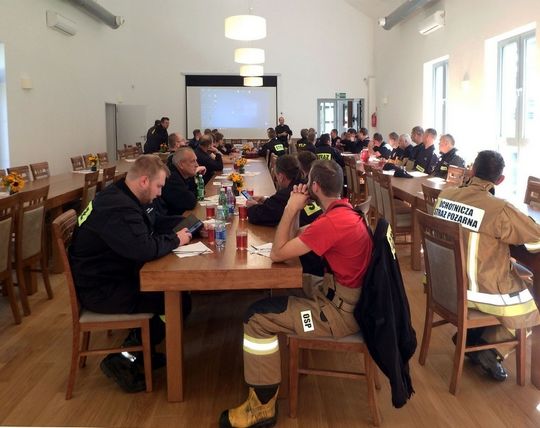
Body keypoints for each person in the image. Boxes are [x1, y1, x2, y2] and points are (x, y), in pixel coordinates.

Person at [219, 160, 373, 427]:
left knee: (256, 318)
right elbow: (291, 242)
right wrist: (295, 212)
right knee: (286, 288)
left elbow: (278, 253)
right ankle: (273, 373)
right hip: (342, 298)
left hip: (335, 316)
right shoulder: (344, 212)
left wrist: (290, 208)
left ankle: (262, 406)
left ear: (315, 187)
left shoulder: (331, 223)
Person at [69, 155, 192, 392]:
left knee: (175, 296)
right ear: (144, 181)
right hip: (102, 289)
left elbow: (151, 224)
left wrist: (185, 223)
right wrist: (176, 240)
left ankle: (143, 349)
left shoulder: (121, 193)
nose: (160, 194)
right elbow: (144, 249)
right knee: (176, 301)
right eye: (158, 186)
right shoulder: (118, 208)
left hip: (110, 275)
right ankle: (124, 358)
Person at [434, 150, 540, 381]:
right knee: (533, 306)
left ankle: (472, 337)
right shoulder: (499, 209)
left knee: (512, 282)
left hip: (444, 284)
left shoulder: (446, 195)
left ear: (472, 170)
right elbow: (536, 238)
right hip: (477, 293)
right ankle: (490, 349)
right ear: (500, 180)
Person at [157, 147, 206, 216]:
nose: (197, 165)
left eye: (196, 160)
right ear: (181, 165)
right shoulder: (172, 177)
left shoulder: (182, 174)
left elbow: (200, 192)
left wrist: (194, 175)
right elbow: (190, 202)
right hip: (172, 219)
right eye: (193, 161)